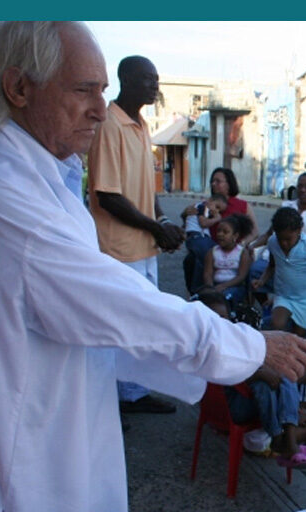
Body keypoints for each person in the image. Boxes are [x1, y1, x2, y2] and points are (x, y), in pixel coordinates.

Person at [0, 21, 306, 512]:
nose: (100, 110)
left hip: (60, 418)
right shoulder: (0, 187)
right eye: (83, 90)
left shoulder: (38, 167)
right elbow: (114, 304)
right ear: (19, 86)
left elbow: (101, 303)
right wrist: (248, 346)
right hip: (24, 450)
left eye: (103, 91)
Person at [87, 54, 186, 414]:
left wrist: (161, 222)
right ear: (126, 80)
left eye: (157, 79)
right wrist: (156, 227)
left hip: (143, 246)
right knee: (117, 329)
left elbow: (144, 187)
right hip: (118, 249)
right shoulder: (109, 125)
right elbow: (108, 195)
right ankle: (108, 401)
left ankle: (134, 394)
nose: (155, 87)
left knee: (142, 327)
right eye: (148, 80)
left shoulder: (141, 125)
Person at [197, 291, 306, 493]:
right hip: (230, 409)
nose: (223, 324)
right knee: (272, 381)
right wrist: (262, 374)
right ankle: (286, 441)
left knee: (277, 375)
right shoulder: (210, 346)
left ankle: (287, 437)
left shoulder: (212, 341)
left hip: (219, 407)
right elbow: (231, 374)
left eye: (225, 318)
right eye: (216, 319)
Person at [252, 207, 306, 335]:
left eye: (288, 239)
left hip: (305, 299)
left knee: (298, 336)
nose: (284, 243)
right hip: (283, 296)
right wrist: (261, 281)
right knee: (276, 324)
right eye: (280, 238)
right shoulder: (272, 242)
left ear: (299, 231)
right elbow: (272, 266)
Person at [182, 167, 258, 294]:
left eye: (218, 181)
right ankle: (199, 294)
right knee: (193, 258)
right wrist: (186, 215)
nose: (213, 184)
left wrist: (242, 244)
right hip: (211, 248)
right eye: (212, 181)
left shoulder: (242, 206)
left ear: (229, 184)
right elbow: (191, 228)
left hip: (234, 248)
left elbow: (255, 231)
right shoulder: (205, 205)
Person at [202, 216, 253, 307]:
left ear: (235, 236)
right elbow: (207, 274)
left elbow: (241, 276)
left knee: (224, 298)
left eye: (225, 232)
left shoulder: (242, 253)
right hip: (215, 285)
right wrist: (210, 288)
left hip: (234, 286)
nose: (220, 234)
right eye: (218, 231)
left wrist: (224, 286)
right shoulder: (212, 252)